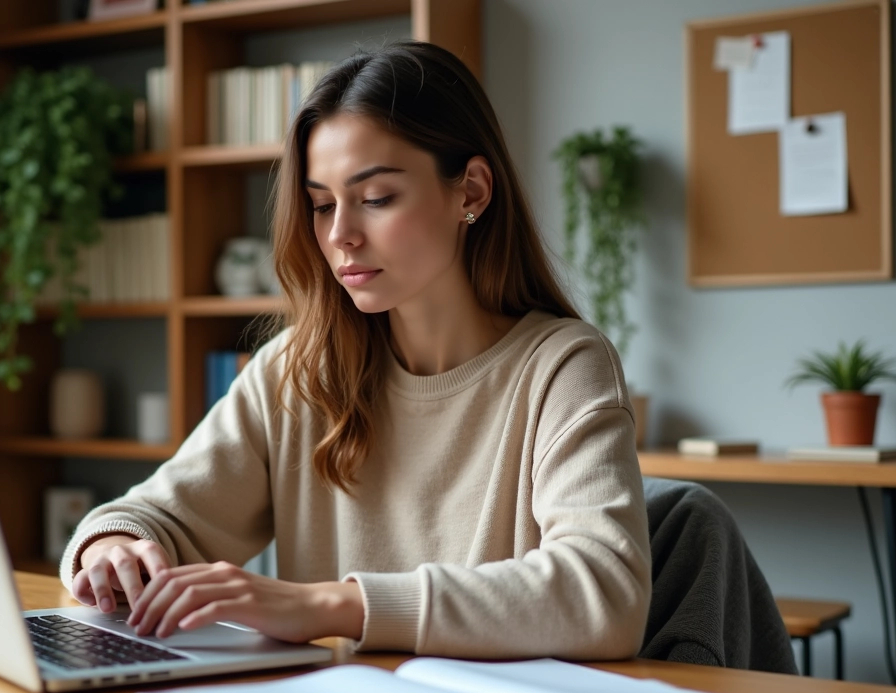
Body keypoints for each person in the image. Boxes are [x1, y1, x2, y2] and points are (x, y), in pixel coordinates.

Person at [60, 40, 651, 660]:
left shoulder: (563, 367)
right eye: (321, 205)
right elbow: (160, 516)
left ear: (471, 191)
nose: (339, 234)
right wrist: (113, 546)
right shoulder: (299, 370)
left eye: (375, 198)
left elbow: (604, 593)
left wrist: (328, 605)